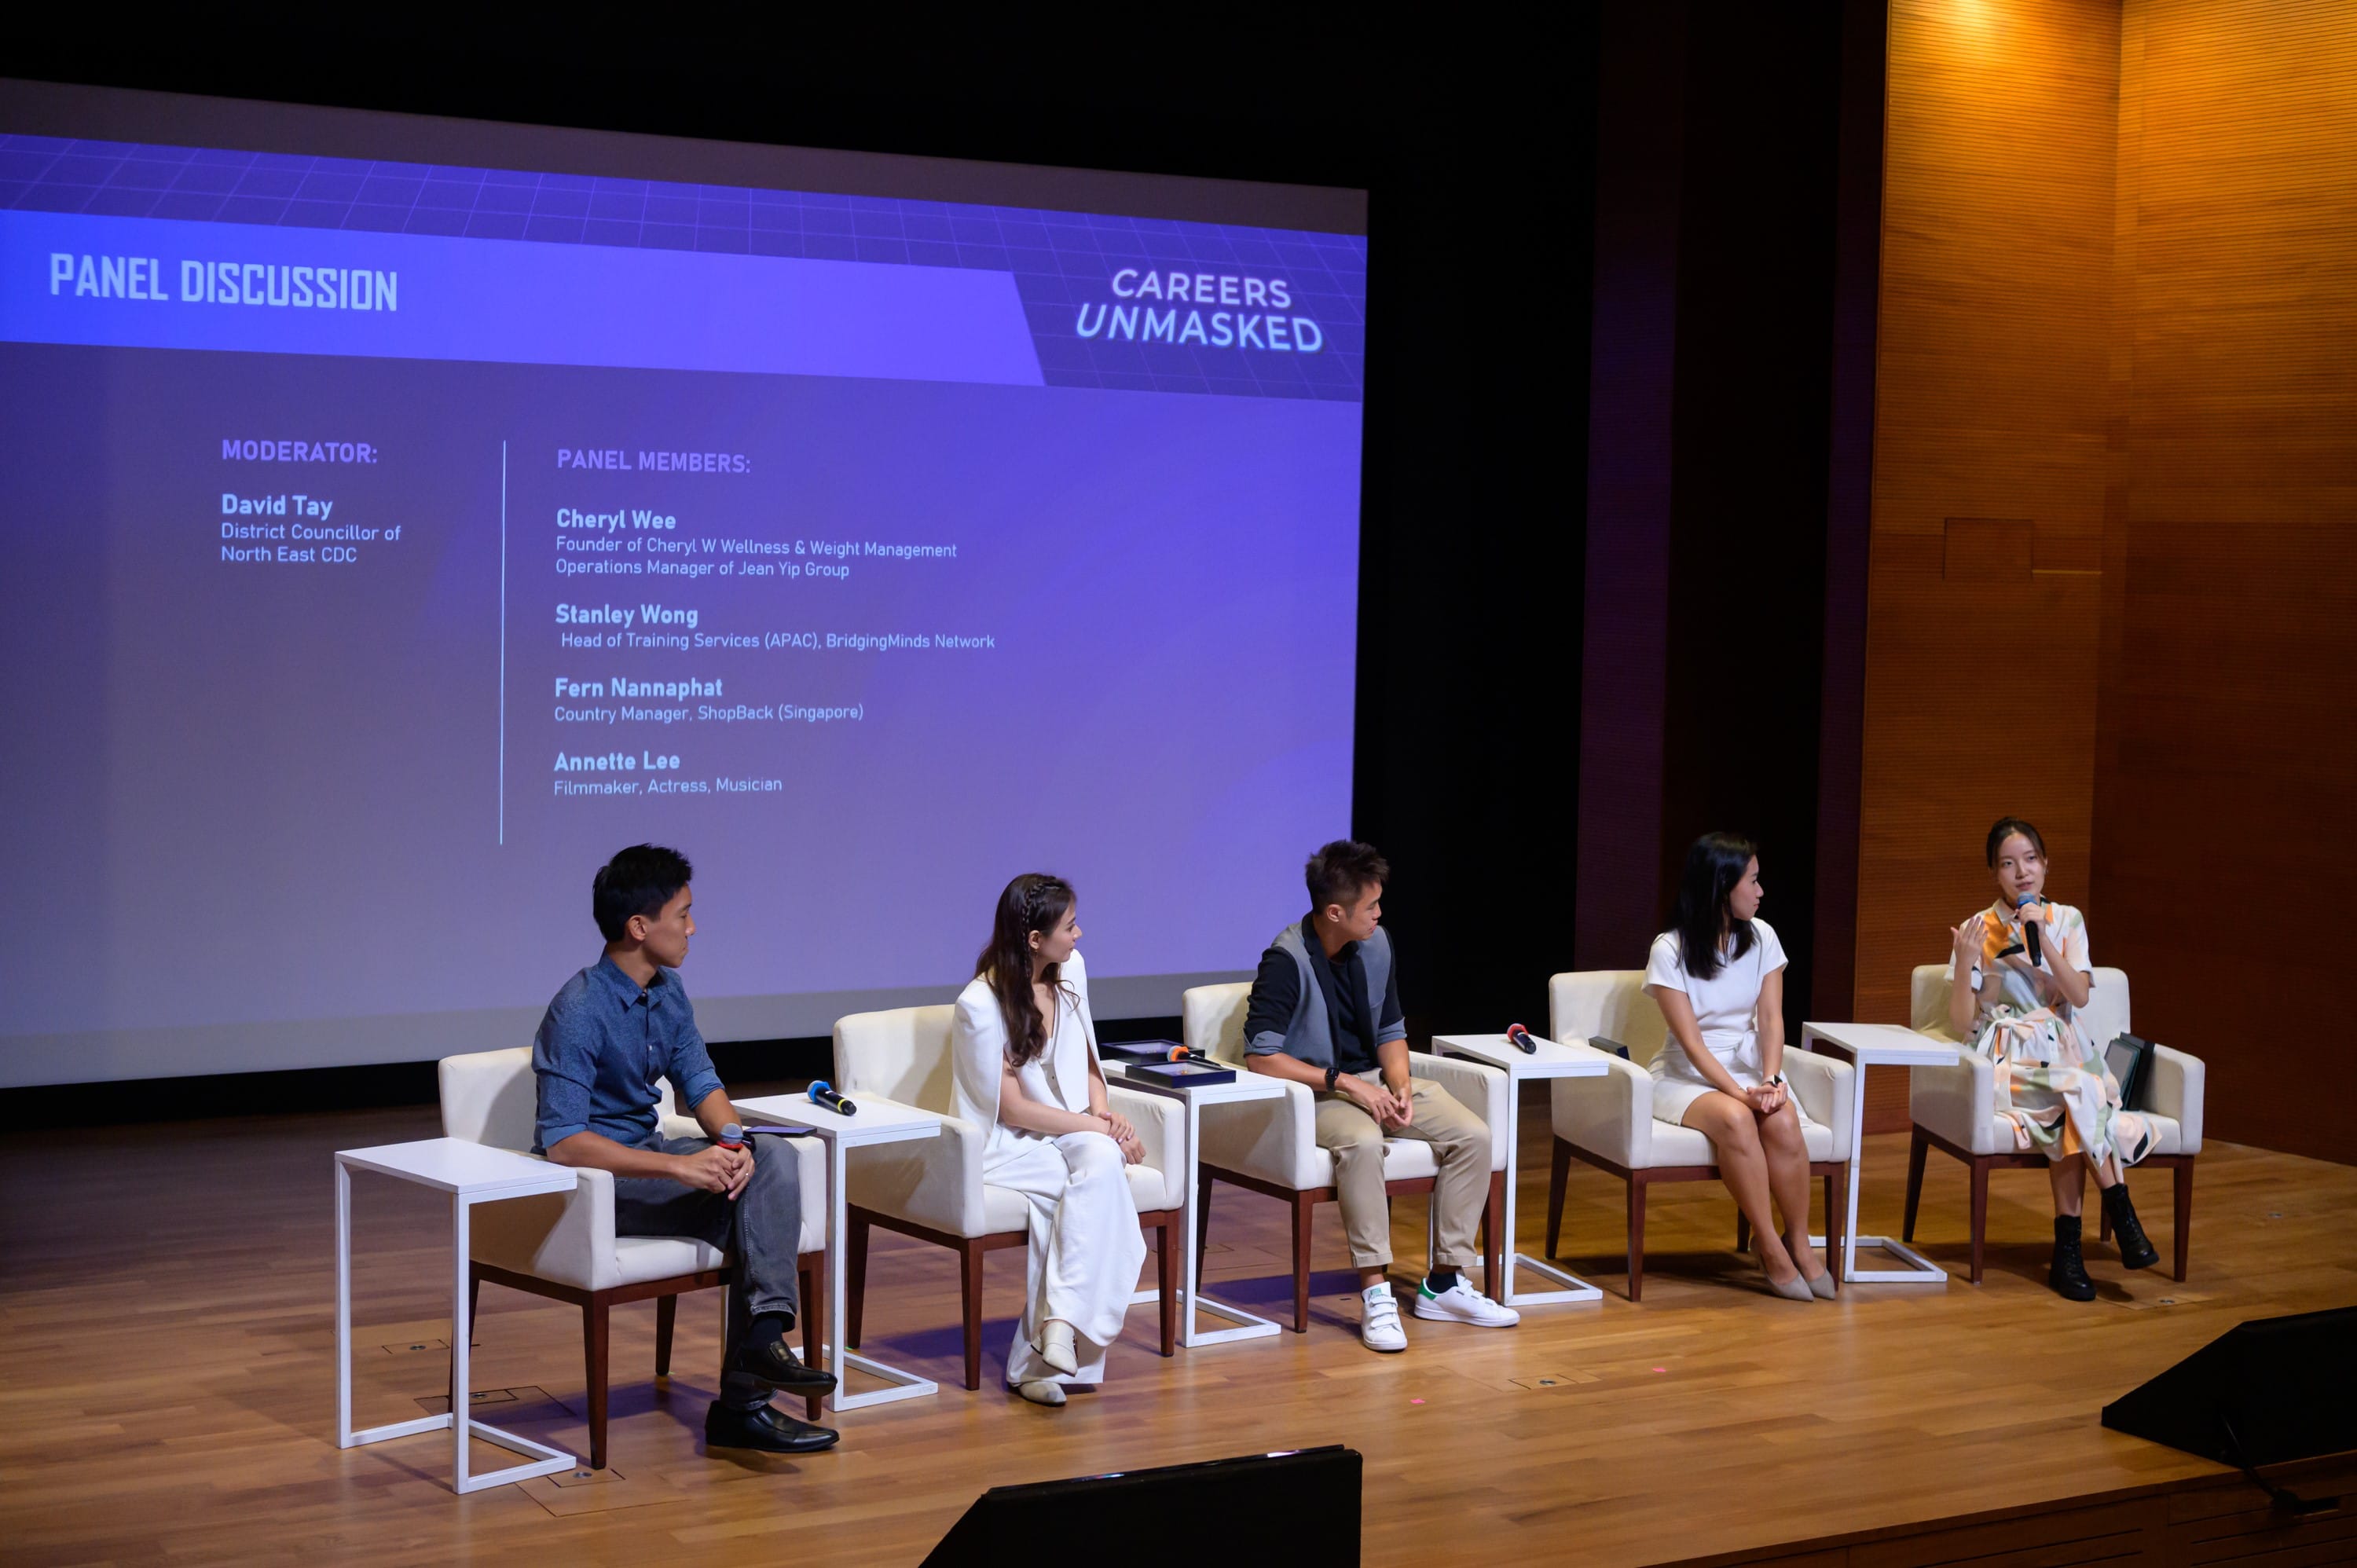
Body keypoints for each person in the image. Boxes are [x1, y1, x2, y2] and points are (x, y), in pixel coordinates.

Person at [532, 844, 838, 1455]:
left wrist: (732, 1144)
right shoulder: (579, 1008)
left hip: (649, 1159)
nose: (693, 928)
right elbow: (563, 1143)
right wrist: (680, 1164)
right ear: (639, 927)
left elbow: (701, 1083)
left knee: (770, 1158)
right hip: (597, 1184)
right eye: (684, 914)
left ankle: (762, 1340)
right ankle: (744, 1403)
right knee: (754, 1205)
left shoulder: (667, 992)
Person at [1241, 840, 1517, 1352]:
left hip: (1371, 1079)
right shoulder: (1285, 960)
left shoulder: (1377, 944)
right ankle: (1375, 1292)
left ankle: (1445, 1282)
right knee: (1364, 1143)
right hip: (1315, 1094)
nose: (1379, 913)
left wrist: (1401, 1085)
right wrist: (1346, 1084)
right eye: (1370, 905)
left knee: (1474, 1136)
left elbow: (1392, 1029)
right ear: (1334, 912)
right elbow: (1261, 1058)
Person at [951, 874, 1147, 1408]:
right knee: (1095, 1182)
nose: (1079, 935)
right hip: (1004, 1143)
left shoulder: (1072, 972)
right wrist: (1096, 1129)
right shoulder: (980, 1002)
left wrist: (1105, 1115)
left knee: (1099, 1165)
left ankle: (1054, 1327)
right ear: (1035, 939)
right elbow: (1012, 1108)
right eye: (1070, 926)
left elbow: (1086, 1057)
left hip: (1065, 1126)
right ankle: (1040, 1351)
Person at [1945, 816, 2158, 1299]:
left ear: (2045, 865)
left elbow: (2079, 996)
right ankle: (2120, 1210)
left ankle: (2068, 1257)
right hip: (2011, 1057)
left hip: (2065, 1052)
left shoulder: (2067, 919)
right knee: (2077, 1091)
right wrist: (1964, 964)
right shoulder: (1982, 928)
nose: (2022, 872)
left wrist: (2044, 937)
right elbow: (1962, 1021)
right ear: (1994, 873)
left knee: (2071, 1099)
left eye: (2030, 860)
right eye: (2008, 864)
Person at [1643, 833, 1832, 1302]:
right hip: (1683, 1074)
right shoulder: (1669, 949)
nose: (1760, 890)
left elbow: (1770, 1019)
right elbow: (1691, 1045)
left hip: (1749, 1066)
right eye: (1753, 880)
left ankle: (1799, 1242)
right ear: (1722, 885)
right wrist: (1739, 1094)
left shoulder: (1763, 936)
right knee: (1736, 1117)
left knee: (1784, 1120)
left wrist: (1770, 1079)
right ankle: (1768, 1246)